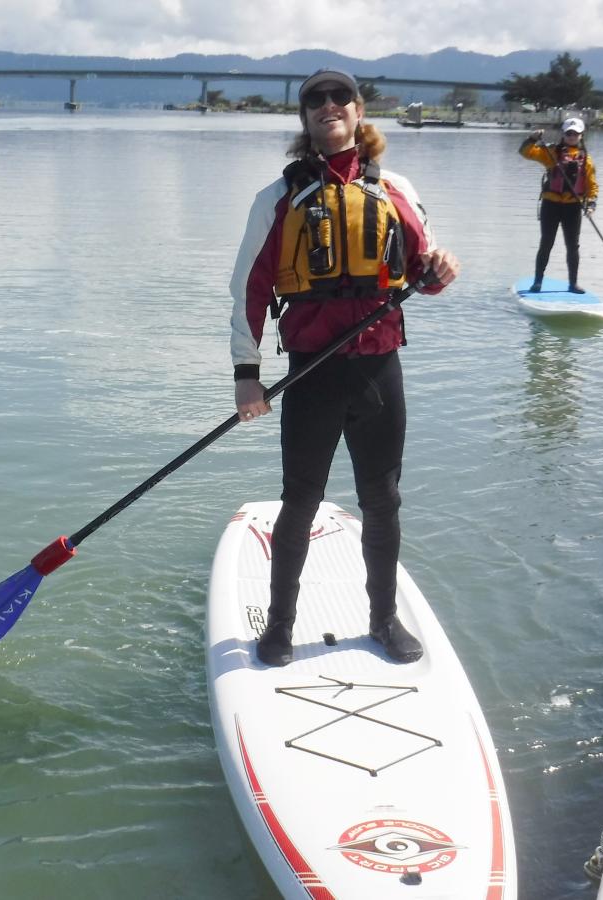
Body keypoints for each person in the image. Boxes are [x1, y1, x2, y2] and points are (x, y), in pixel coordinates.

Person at [228, 68, 460, 667]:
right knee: (299, 500)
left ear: (358, 112)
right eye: (315, 100)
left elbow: (424, 272)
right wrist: (246, 374)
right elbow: (247, 291)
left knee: (382, 500)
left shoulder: (396, 189)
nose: (328, 106)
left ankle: (383, 621)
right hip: (311, 373)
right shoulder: (276, 199)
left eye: (339, 98)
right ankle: (279, 627)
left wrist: (441, 271)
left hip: (379, 370)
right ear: (305, 119)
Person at [518, 116, 599, 293]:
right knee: (546, 243)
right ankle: (538, 281)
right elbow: (525, 152)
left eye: (575, 134)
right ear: (563, 134)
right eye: (569, 133)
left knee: (573, 246)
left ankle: (573, 283)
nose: (572, 136)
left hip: (573, 207)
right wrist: (532, 138)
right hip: (551, 205)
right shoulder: (551, 153)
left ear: (581, 136)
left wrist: (591, 204)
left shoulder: (586, 159)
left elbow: (591, 185)